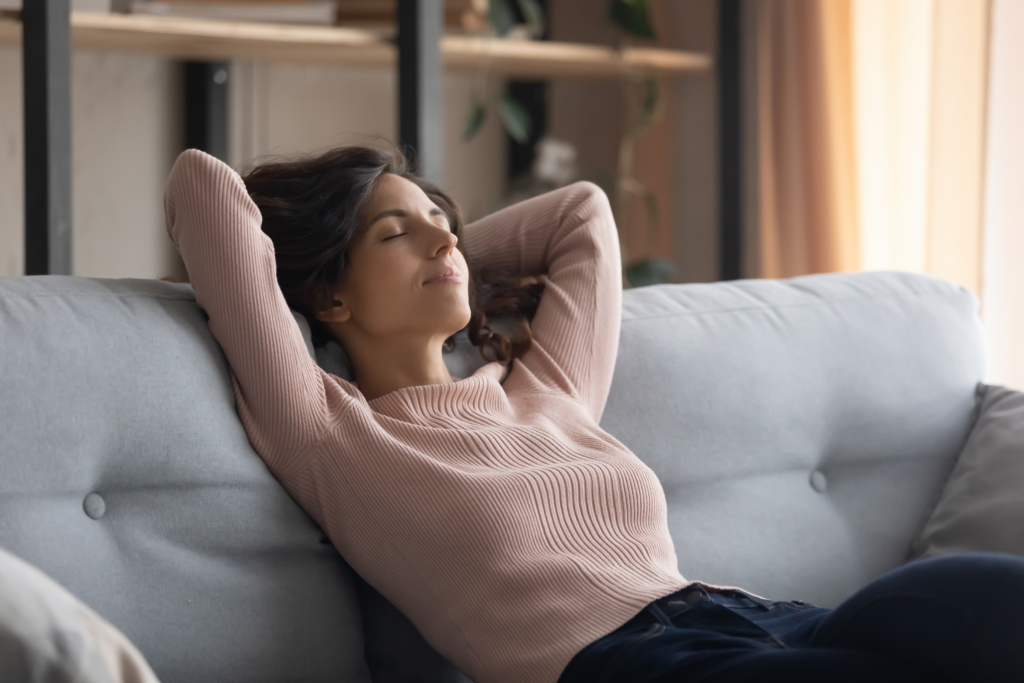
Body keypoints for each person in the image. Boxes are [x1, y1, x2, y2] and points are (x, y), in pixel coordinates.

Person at [163, 146, 1024, 683]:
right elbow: (203, 189)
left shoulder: (544, 392)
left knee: (990, 601)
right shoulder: (334, 433)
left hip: (763, 617)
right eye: (398, 234)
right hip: (634, 666)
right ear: (330, 297)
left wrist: (440, 252)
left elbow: (582, 215)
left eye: (446, 224)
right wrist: (328, 264)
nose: (444, 242)